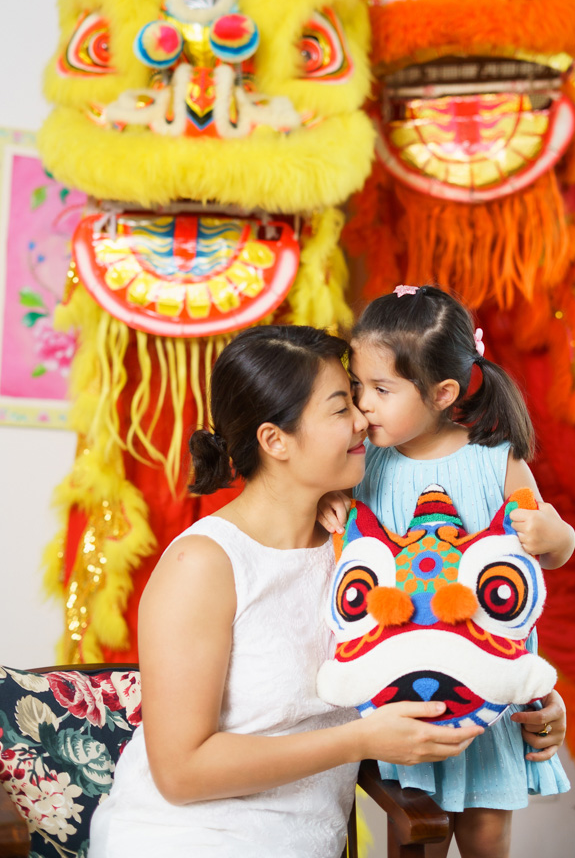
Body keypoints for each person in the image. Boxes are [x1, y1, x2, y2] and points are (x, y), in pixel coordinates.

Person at [89, 324, 484, 858]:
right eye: (342, 406)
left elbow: (446, 643)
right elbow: (180, 772)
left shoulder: (361, 550)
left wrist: (527, 705)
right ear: (275, 440)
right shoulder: (202, 564)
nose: (364, 418)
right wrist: (358, 741)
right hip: (185, 839)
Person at [317, 286, 574, 858]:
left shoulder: (495, 458)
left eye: (382, 389)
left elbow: (541, 554)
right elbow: (348, 540)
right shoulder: (365, 463)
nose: (365, 405)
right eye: (358, 387)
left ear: (443, 392)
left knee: (486, 839)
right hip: (403, 696)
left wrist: (557, 538)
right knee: (415, 835)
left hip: (488, 700)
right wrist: (327, 506)